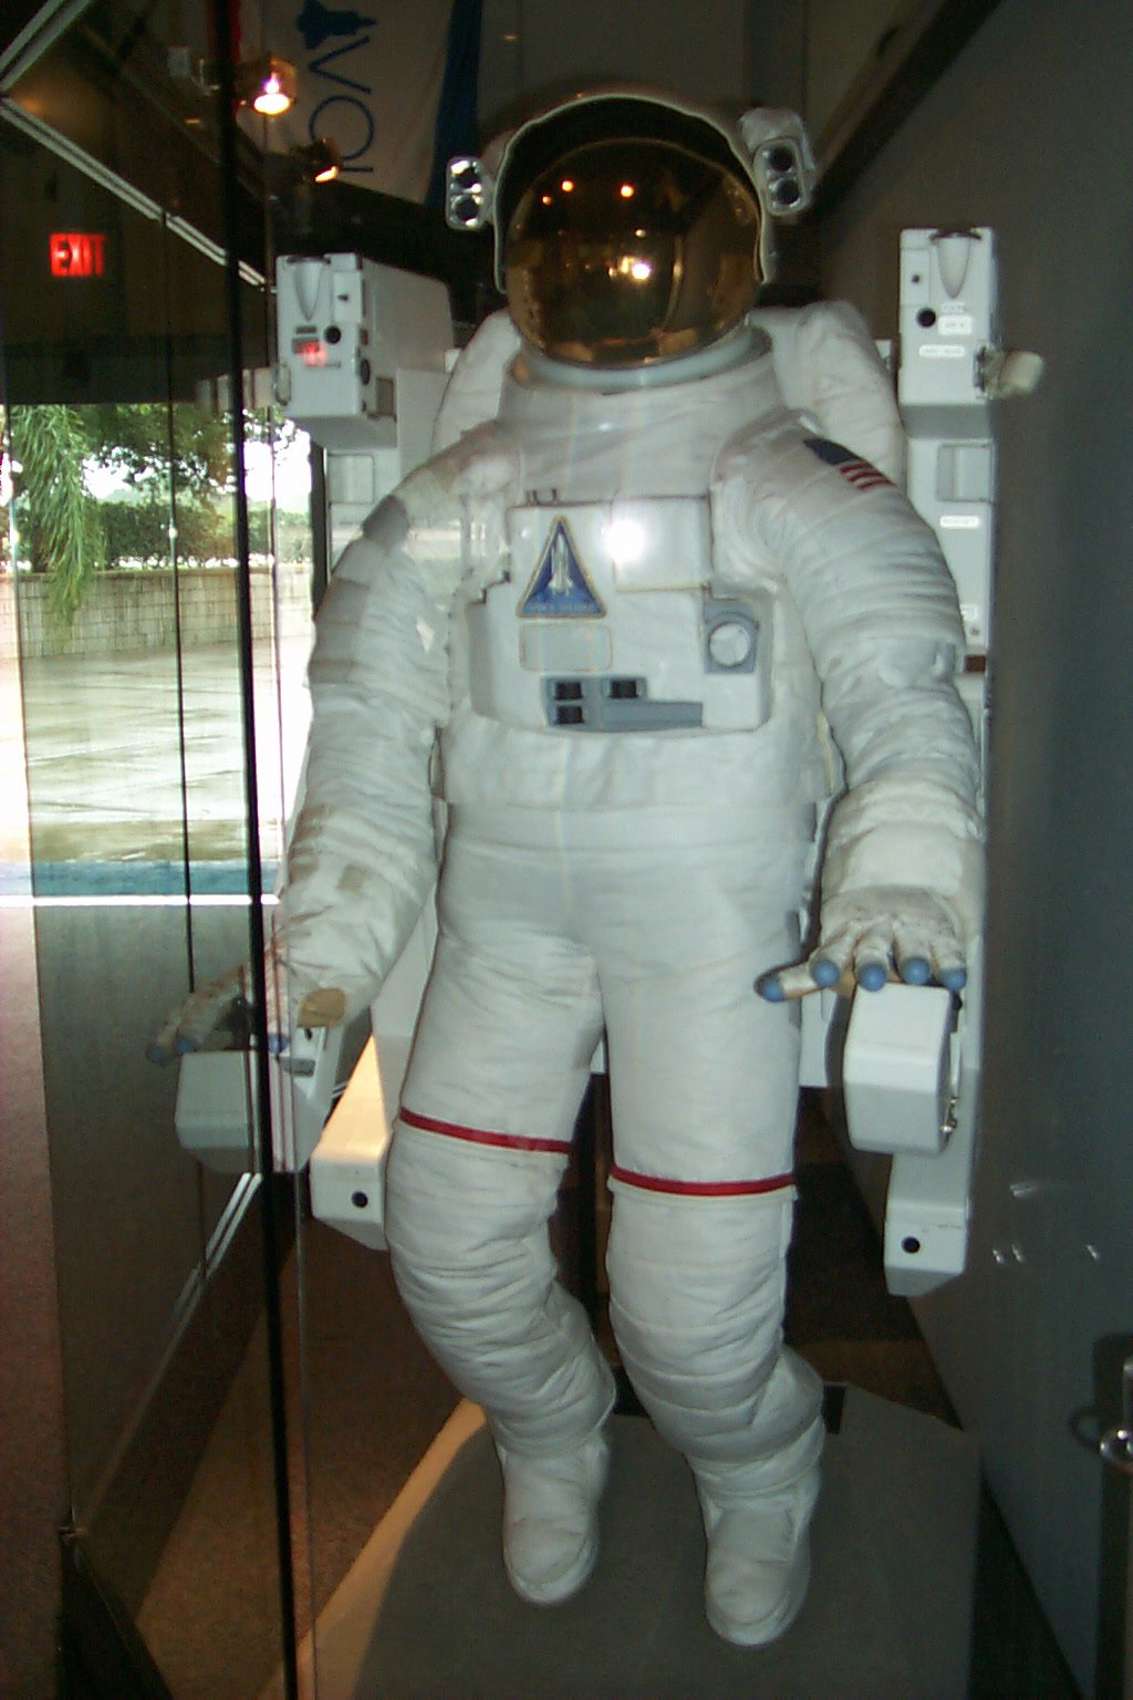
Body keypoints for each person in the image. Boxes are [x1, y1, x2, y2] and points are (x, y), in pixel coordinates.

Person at [171, 89, 983, 1646]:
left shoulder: (793, 479)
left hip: (716, 943)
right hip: (509, 929)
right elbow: (368, 733)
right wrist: (317, 955)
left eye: (654, 232)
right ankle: (547, 1433)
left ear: (733, 241)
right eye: (580, 237)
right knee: (450, 1250)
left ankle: (756, 1465)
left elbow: (902, 702)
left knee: (689, 1313)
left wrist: (892, 894)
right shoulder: (462, 497)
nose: (619, 272)